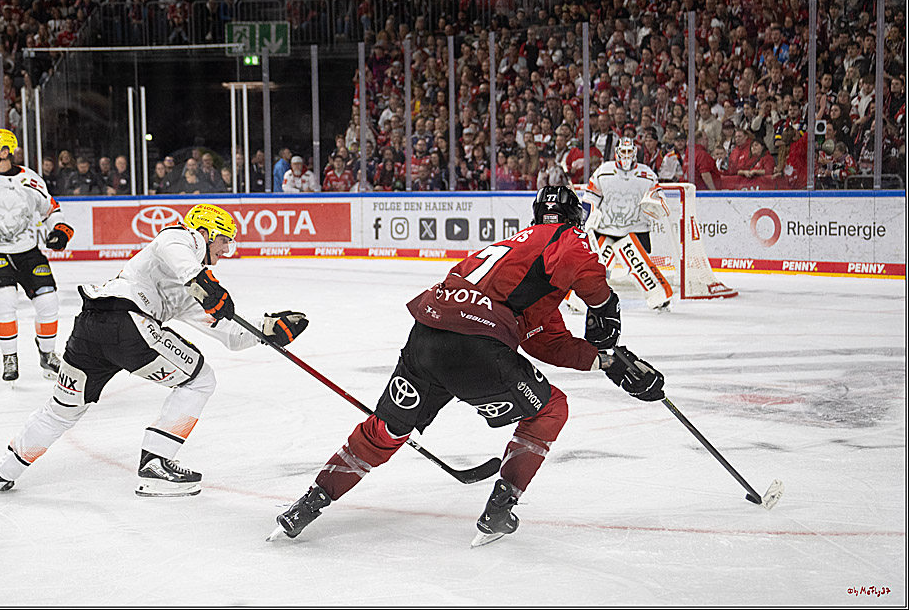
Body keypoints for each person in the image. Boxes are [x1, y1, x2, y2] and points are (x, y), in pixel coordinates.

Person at [269, 187, 664, 546]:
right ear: (574, 220)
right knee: (550, 409)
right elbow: (585, 271)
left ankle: (309, 503)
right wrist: (603, 307)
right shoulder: (563, 236)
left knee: (387, 429)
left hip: (427, 337)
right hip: (476, 347)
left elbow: (546, 340)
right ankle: (499, 509)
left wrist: (604, 361)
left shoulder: (516, 256)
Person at [0, 204, 309, 497]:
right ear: (205, 233)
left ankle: (3, 471)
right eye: (224, 241)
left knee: (62, 409)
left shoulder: (187, 282)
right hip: (128, 324)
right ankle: (156, 463)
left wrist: (268, 331)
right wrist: (201, 279)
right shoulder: (183, 238)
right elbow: (170, 244)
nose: (226, 250)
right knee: (200, 379)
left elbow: (230, 334)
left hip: (89, 329)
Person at [0, 128, 74, 384]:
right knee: (5, 297)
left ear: (4, 151)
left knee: (48, 300)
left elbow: (50, 209)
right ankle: (9, 356)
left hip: (27, 250)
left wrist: (59, 230)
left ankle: (47, 354)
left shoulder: (30, 179)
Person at [580, 138, 673, 311]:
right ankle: (579, 300)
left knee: (639, 266)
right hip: (606, 229)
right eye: (623, 151)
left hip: (635, 229)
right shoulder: (603, 171)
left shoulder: (647, 174)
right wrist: (586, 218)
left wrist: (657, 203)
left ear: (635, 153)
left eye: (629, 151)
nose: (626, 155)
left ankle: (659, 298)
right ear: (617, 152)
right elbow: (591, 196)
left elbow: (658, 195)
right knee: (597, 267)